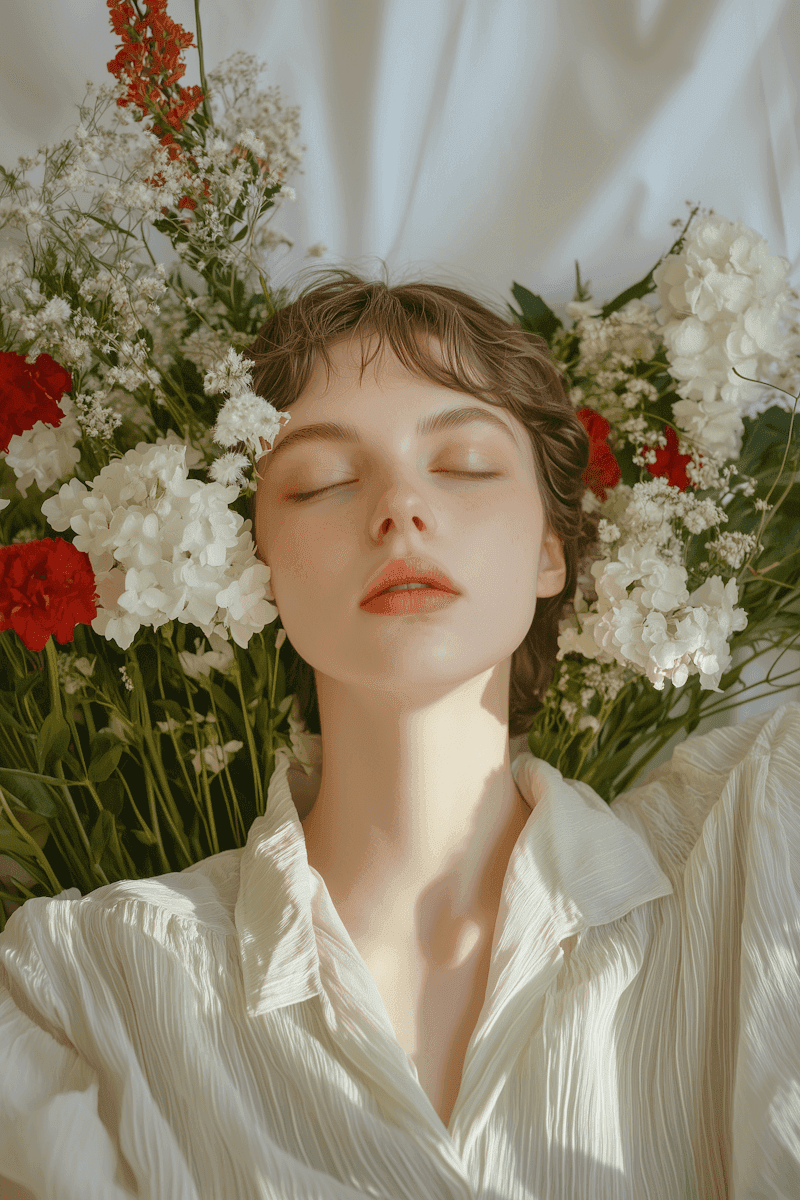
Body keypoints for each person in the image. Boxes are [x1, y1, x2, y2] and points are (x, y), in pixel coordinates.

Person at [0, 268, 798, 1199]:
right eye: (321, 482)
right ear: (256, 571)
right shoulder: (85, 988)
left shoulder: (757, 838)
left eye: (462, 465)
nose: (399, 509)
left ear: (551, 549)